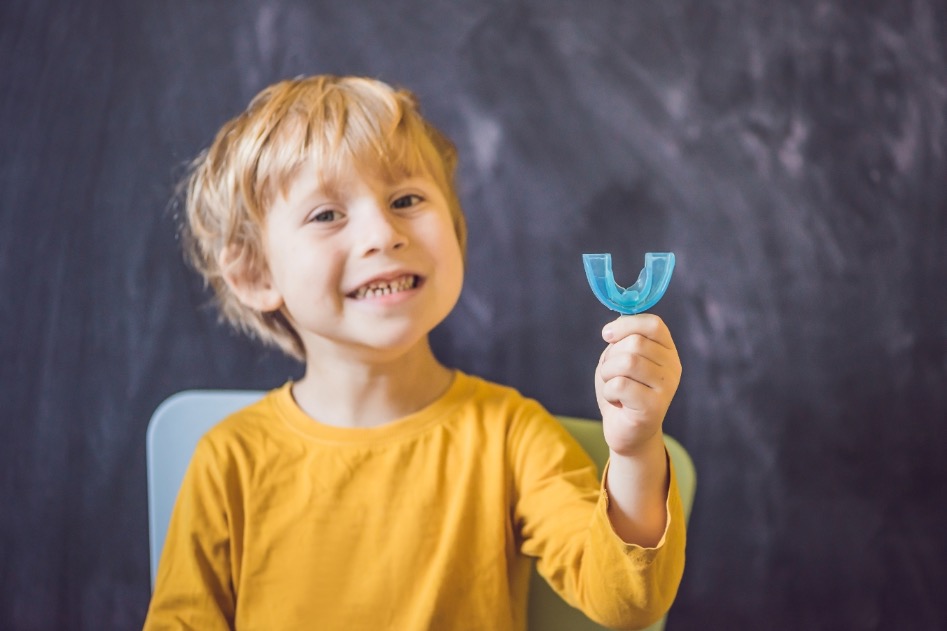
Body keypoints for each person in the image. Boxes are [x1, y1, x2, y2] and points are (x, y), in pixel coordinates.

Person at [143, 75, 685, 630]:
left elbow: (628, 603)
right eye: (327, 214)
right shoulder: (226, 462)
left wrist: (636, 448)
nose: (383, 232)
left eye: (406, 200)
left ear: (455, 231)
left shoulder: (511, 436)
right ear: (255, 273)